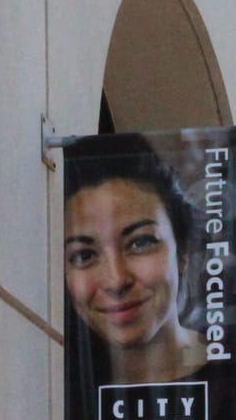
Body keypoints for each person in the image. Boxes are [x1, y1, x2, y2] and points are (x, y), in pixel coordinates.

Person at [62, 136, 206, 385]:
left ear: (182, 250)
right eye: (84, 255)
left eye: (140, 243)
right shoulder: (55, 392)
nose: (116, 280)